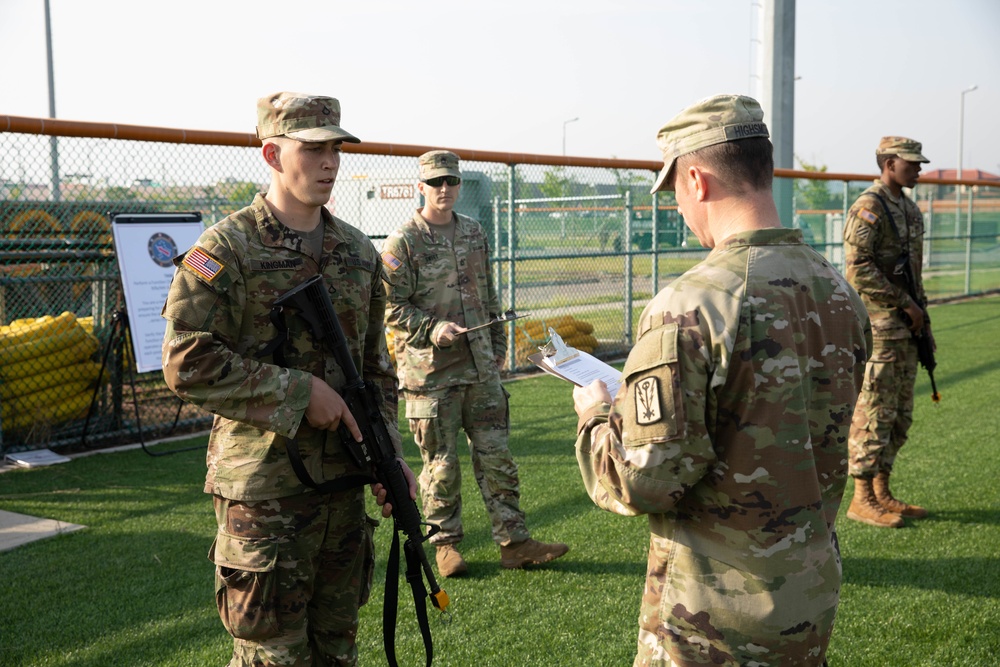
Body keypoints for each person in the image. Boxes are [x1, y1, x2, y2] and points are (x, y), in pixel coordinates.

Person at [571, 94, 872, 666]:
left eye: (676, 193)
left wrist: (593, 414)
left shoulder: (690, 304)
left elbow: (642, 482)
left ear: (696, 179)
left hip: (709, 626)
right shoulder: (838, 291)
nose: (679, 208)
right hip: (807, 602)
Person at [162, 91, 415, 667]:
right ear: (273, 155)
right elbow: (185, 361)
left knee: (338, 647)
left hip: (343, 487)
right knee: (272, 655)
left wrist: (387, 455)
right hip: (266, 490)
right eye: (315, 149)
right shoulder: (223, 250)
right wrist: (299, 393)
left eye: (337, 149)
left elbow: (375, 370)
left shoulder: (356, 251)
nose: (330, 163)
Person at [380, 150, 568, 577]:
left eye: (451, 181)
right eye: (435, 183)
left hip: (481, 368)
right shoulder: (404, 241)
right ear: (420, 187)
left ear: (459, 184)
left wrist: (499, 343)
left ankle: (515, 542)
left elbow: (488, 293)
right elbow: (390, 305)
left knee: (497, 457)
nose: (444, 189)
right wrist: (431, 327)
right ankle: (446, 546)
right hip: (432, 375)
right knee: (441, 465)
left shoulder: (474, 232)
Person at [842, 136, 932, 528]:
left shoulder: (910, 210)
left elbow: (913, 273)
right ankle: (861, 498)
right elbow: (857, 267)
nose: (918, 169)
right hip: (881, 326)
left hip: (907, 328)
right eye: (910, 163)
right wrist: (903, 303)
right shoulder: (869, 207)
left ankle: (882, 492)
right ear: (889, 163)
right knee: (875, 409)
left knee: (899, 413)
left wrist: (920, 315)